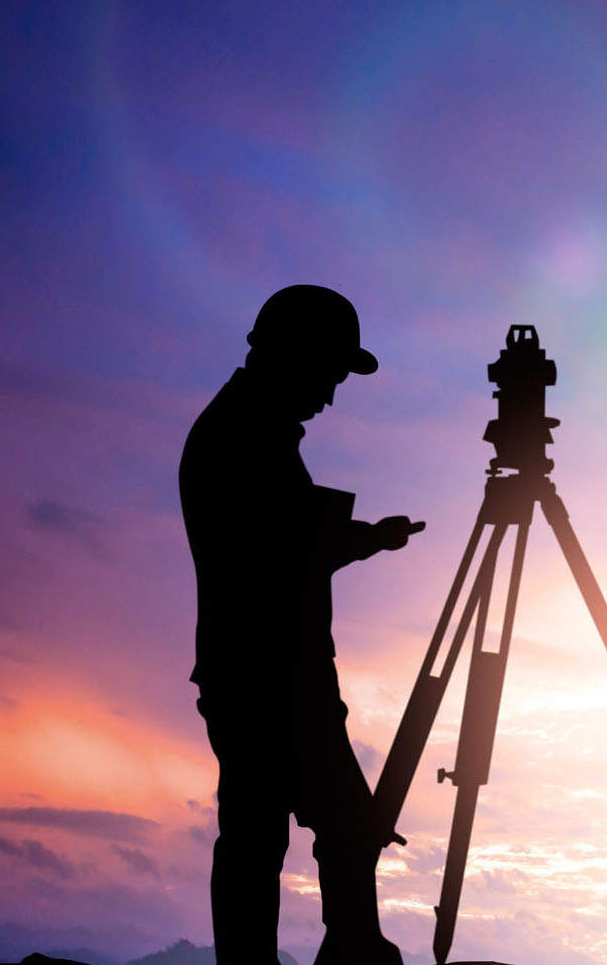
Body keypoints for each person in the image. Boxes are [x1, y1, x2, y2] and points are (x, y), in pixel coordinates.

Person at [180, 285, 425, 965]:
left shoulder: (250, 431)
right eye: (328, 373)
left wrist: (367, 538)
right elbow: (274, 553)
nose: (331, 393)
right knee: (309, 829)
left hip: (274, 673)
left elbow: (284, 544)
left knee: (282, 832)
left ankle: (347, 948)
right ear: (293, 355)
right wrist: (357, 539)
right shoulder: (241, 436)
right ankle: (347, 952)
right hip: (268, 678)